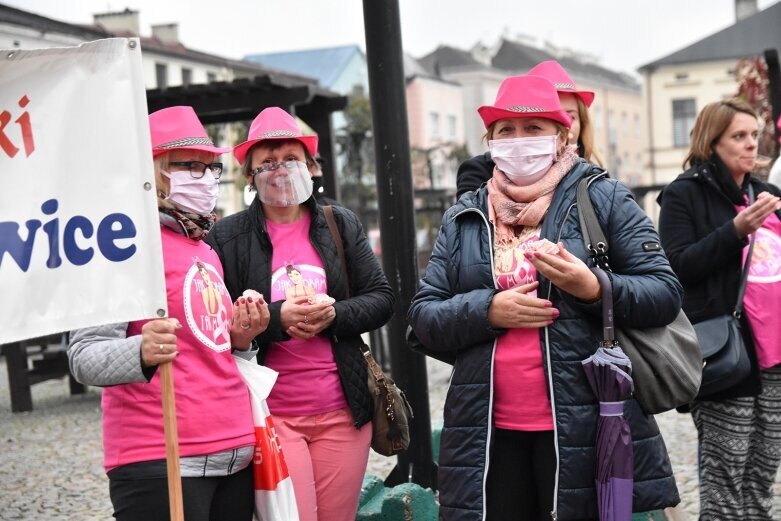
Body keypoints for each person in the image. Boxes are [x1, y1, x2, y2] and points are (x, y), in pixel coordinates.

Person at [407, 74, 682, 521]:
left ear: (561, 135)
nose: (519, 141)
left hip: (585, 424)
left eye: (533, 128)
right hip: (488, 430)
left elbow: (665, 292)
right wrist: (489, 310)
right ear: (490, 141)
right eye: (506, 131)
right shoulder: (465, 214)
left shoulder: (603, 198)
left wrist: (594, 288)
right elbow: (424, 314)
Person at [68, 106, 270, 521]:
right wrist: (141, 350)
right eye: (190, 166)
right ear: (154, 169)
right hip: (160, 457)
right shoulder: (120, 246)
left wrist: (242, 339)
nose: (206, 178)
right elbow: (83, 354)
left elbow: (211, 351)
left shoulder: (207, 249)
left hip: (235, 453)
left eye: (210, 168)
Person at [205, 106, 395, 521]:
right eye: (267, 163)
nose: (280, 170)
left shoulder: (339, 223)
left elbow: (381, 298)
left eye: (291, 159)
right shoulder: (227, 236)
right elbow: (218, 322)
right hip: (272, 415)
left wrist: (335, 315)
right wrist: (276, 320)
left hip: (345, 411)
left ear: (311, 166)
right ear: (249, 177)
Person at [657, 99, 781, 520]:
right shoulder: (683, 194)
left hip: (776, 355)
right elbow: (675, 267)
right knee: (726, 475)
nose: (751, 144)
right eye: (738, 136)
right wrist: (735, 231)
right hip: (725, 353)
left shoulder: (767, 194)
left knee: (763, 474)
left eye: (754, 135)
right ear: (713, 141)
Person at [456, 59, 602, 199]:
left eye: (569, 117)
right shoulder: (479, 175)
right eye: (507, 129)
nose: (565, 126)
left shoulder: (596, 184)